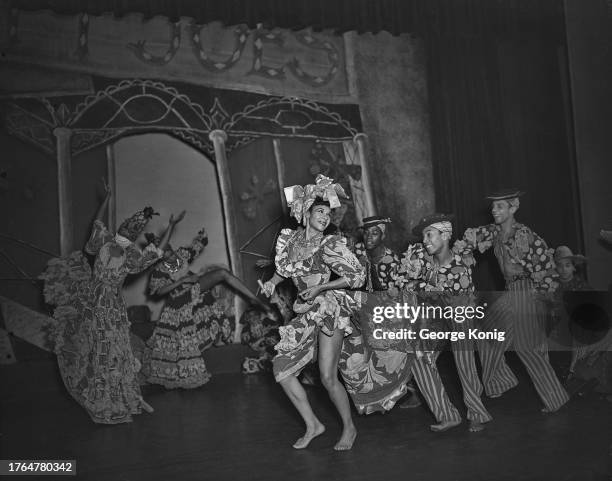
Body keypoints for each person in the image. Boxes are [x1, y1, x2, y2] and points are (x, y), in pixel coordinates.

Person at [40, 181, 177, 424]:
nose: (130, 227)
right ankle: (100, 397)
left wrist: (171, 228)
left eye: (134, 227)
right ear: (122, 225)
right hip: (90, 300)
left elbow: (156, 253)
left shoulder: (133, 255)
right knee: (91, 348)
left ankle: (122, 398)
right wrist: (107, 198)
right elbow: (97, 222)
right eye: (128, 224)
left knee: (114, 349)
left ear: (135, 234)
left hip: (111, 307)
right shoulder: (103, 241)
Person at [261, 175, 366, 451]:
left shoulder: (329, 244)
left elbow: (356, 276)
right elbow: (284, 269)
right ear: (305, 213)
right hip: (305, 311)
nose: (325, 216)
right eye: (320, 211)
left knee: (327, 377)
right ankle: (313, 425)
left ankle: (349, 428)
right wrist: (272, 282)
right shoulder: (290, 240)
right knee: (281, 369)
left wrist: (322, 287)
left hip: (328, 308)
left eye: (329, 213)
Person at [456, 189, 569, 413]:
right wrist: (459, 254)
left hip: (528, 291)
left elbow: (546, 268)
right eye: (493, 206)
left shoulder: (526, 235)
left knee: (527, 348)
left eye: (500, 206)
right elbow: (469, 240)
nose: (494, 210)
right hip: (511, 291)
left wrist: (544, 298)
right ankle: (501, 380)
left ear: (513, 208)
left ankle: (556, 399)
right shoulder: (494, 231)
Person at [146, 223, 276, 388]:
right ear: (159, 256)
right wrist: (183, 280)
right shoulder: (159, 270)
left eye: (169, 250)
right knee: (221, 276)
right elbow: (158, 292)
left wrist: (202, 237)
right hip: (179, 298)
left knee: (222, 278)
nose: (170, 255)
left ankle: (253, 300)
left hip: (193, 291)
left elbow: (196, 248)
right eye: (165, 253)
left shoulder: (181, 255)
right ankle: (252, 300)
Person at [395, 214, 493, 432]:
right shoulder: (422, 258)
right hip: (436, 319)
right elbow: (401, 277)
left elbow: (438, 293)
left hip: (460, 317)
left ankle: (477, 414)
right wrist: (408, 280)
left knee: (465, 365)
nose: (425, 240)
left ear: (445, 235)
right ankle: (447, 415)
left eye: (429, 234)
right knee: (418, 359)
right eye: (423, 236)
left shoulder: (460, 268)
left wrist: (417, 285)